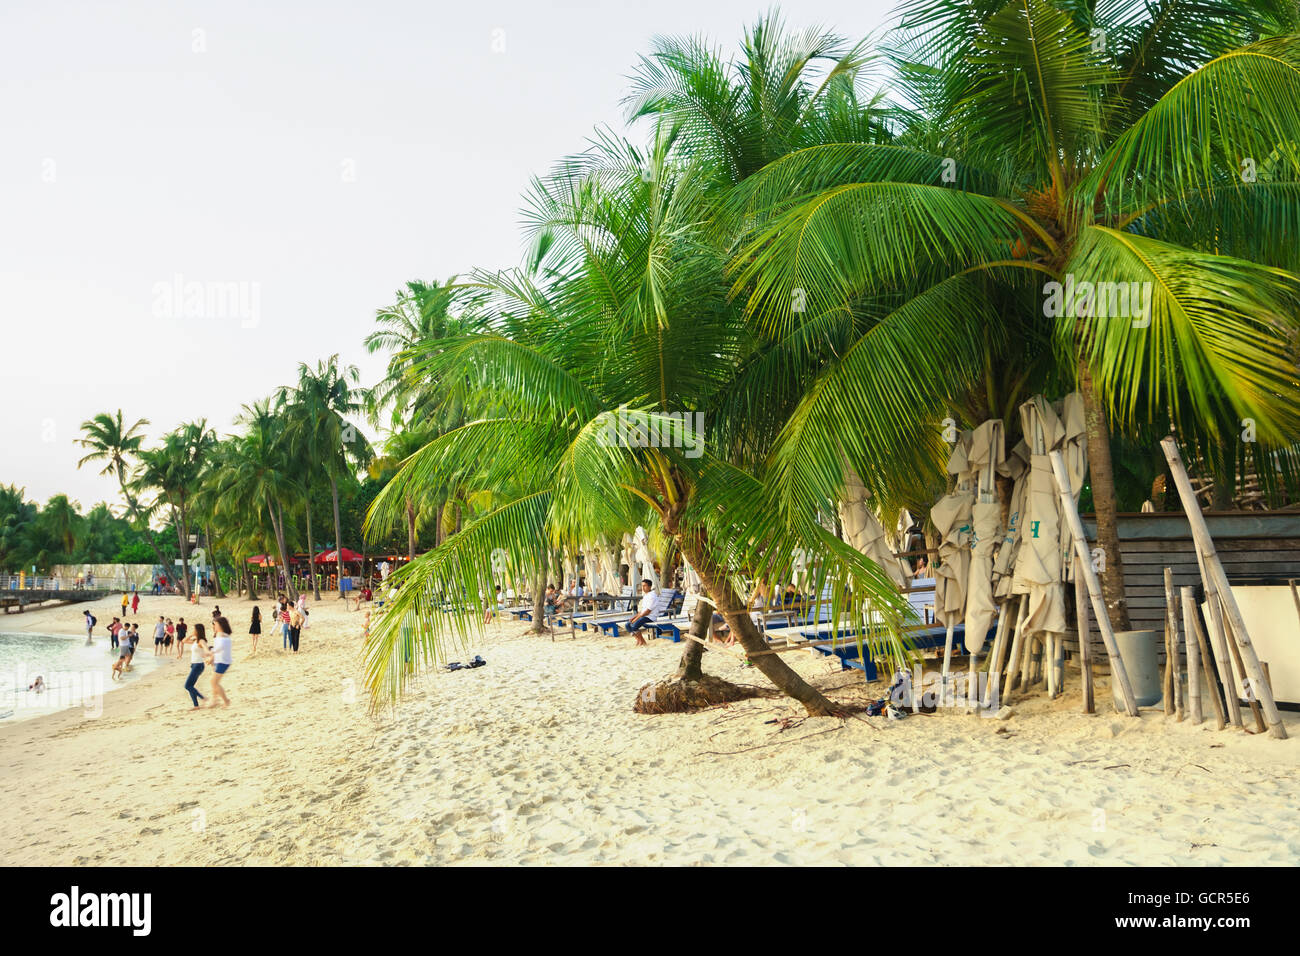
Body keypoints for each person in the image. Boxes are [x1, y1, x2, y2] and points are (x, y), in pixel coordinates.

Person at [208, 616, 233, 708]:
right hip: (220, 661)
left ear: (220, 625)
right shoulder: (220, 634)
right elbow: (218, 648)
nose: (214, 626)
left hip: (223, 662)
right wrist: (212, 658)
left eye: (215, 624)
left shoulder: (222, 635)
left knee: (214, 682)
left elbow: (220, 647)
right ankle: (214, 700)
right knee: (214, 682)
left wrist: (210, 653)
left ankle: (226, 701)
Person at [181, 624, 208, 708]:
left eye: (194, 629)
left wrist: (206, 653)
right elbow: (184, 641)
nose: (192, 630)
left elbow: (206, 648)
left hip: (198, 665)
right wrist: (191, 635)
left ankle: (204, 698)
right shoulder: (196, 640)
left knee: (187, 686)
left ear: (197, 630)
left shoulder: (201, 641)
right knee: (190, 686)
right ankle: (196, 706)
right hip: (194, 665)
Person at [626, 579, 657, 647]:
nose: (643, 588)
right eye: (642, 586)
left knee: (634, 626)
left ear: (649, 586)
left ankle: (642, 642)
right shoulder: (646, 595)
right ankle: (640, 640)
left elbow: (647, 612)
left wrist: (636, 619)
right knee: (627, 625)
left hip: (650, 617)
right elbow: (642, 611)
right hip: (644, 616)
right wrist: (633, 618)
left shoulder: (652, 596)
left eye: (645, 586)